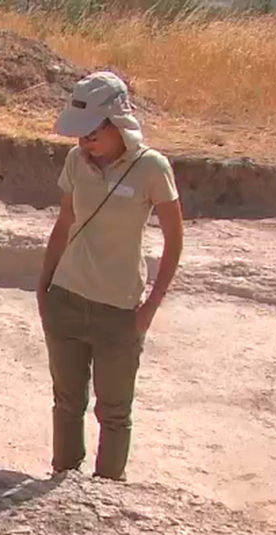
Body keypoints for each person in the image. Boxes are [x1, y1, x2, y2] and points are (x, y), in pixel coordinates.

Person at [36, 71, 184, 482]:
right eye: (80, 133)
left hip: (119, 311)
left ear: (119, 123)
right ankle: (62, 483)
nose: (85, 141)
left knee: (114, 413)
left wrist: (150, 308)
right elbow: (64, 223)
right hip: (65, 299)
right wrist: (43, 288)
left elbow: (174, 240)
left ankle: (107, 494)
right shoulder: (74, 162)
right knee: (66, 403)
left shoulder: (151, 168)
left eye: (93, 132)